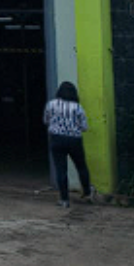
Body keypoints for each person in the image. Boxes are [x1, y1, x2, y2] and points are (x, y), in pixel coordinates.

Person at [43, 81, 96, 209]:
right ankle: (87, 192)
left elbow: (46, 120)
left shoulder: (51, 105)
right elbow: (84, 127)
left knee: (61, 170)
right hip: (74, 140)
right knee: (81, 166)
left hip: (56, 139)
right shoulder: (77, 107)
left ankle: (64, 200)